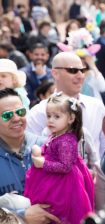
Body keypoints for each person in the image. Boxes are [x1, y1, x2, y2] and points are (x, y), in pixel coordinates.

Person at [24, 94, 94, 224]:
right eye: (49, 116)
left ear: (71, 118)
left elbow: (65, 167)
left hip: (63, 184)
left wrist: (43, 163)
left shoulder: (66, 141)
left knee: (60, 210)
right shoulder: (56, 135)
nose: (51, 120)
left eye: (57, 117)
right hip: (54, 180)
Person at [0, 88, 61, 223]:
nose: (16, 118)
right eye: (7, 115)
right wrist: (21, 216)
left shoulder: (48, 146)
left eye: (20, 112)